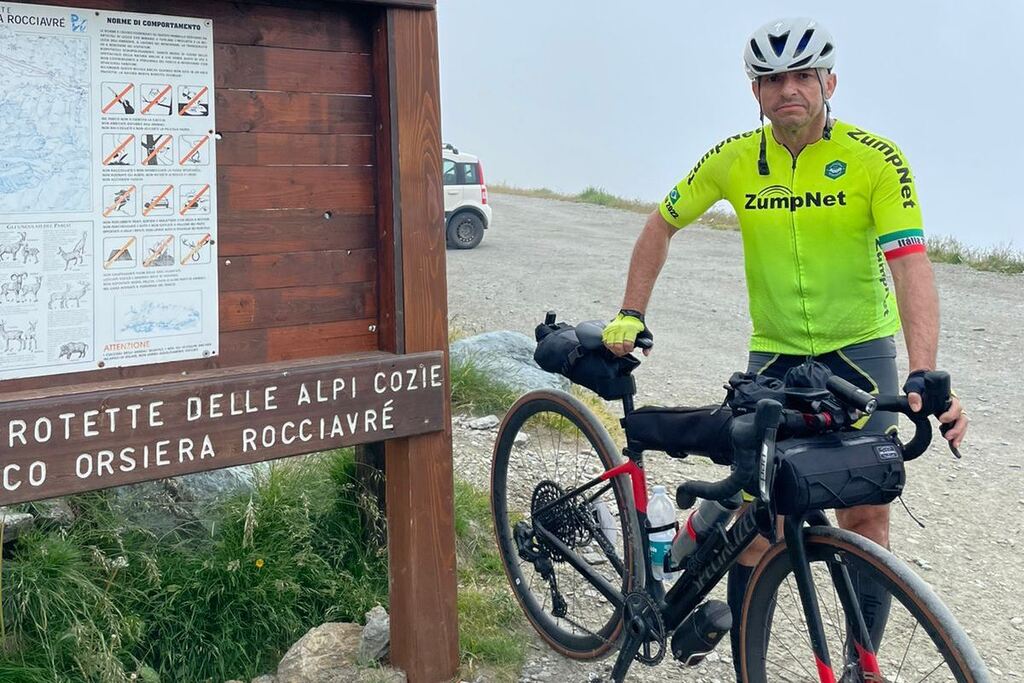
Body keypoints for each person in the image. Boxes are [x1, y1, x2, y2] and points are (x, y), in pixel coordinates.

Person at [601, 16, 969, 682]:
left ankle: (863, 667)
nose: (787, 90)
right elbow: (662, 222)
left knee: (866, 511)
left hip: (860, 354)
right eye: (772, 80)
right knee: (761, 518)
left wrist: (923, 368)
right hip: (773, 357)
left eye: (802, 75)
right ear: (756, 93)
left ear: (830, 81)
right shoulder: (735, 159)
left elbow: (910, 264)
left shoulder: (875, 159)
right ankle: (750, 661)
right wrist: (631, 311)